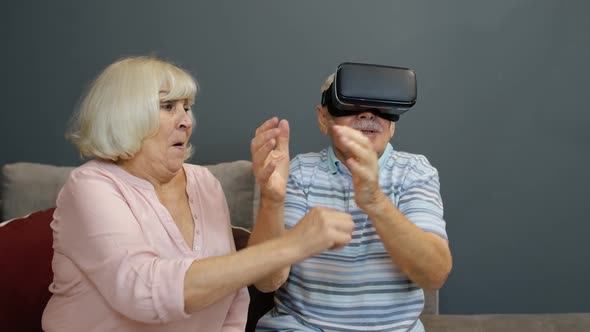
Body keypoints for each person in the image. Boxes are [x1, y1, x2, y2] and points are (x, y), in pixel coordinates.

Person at [41, 56, 355, 332]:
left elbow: (235, 299)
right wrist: (294, 244)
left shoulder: (204, 182)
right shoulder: (89, 187)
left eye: (187, 108)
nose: (187, 121)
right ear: (125, 115)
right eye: (168, 106)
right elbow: (144, 292)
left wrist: (272, 198)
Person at [249, 72, 453, 331]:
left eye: (381, 108)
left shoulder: (415, 172)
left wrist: (376, 202)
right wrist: (272, 201)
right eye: (351, 105)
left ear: (393, 124)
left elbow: (435, 275)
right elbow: (268, 282)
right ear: (324, 118)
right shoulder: (298, 172)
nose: (368, 115)